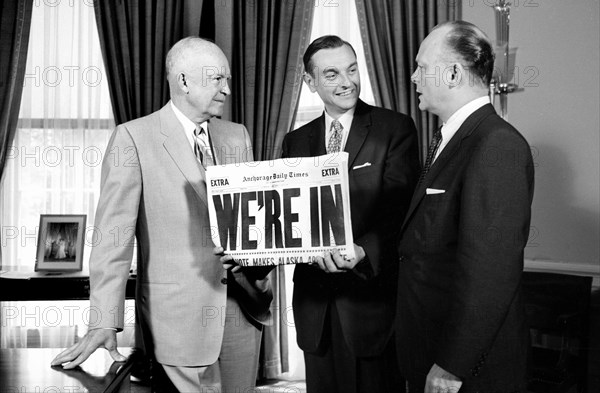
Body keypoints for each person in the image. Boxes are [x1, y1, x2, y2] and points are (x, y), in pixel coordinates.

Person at [51, 37, 273, 392]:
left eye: (227, 79)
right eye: (217, 79)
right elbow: (113, 239)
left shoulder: (237, 137)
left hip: (243, 313)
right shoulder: (133, 138)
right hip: (176, 320)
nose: (227, 90)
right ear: (184, 80)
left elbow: (254, 221)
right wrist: (103, 321)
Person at [396, 20, 534, 393]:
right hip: (428, 347)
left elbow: (491, 271)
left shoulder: (496, 144)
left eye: (422, 67)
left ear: (454, 73)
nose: (413, 77)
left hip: (464, 369)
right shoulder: (450, 138)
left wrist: (452, 365)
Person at [281, 35, 420, 393]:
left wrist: (362, 250)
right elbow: (286, 215)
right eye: (332, 74)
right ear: (310, 83)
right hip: (315, 311)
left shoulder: (395, 128)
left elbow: (401, 210)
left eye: (352, 69)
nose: (347, 81)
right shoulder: (295, 141)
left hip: (371, 304)